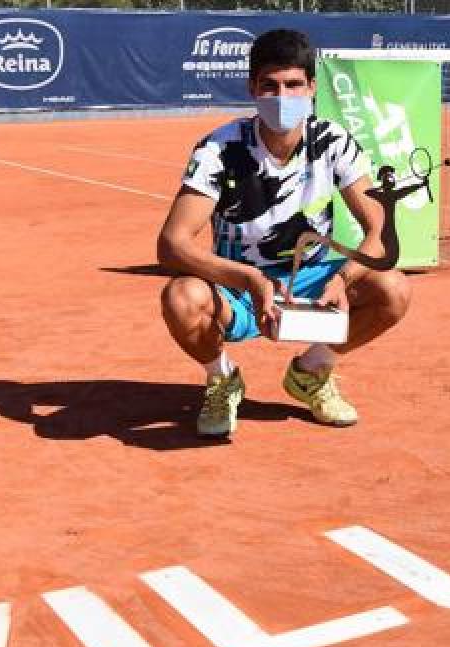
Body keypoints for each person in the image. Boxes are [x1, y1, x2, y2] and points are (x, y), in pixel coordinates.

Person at [157, 28, 411, 439]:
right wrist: (250, 279)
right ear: (252, 88)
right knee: (181, 297)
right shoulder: (219, 150)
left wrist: (341, 279)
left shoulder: (333, 143)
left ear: (312, 87)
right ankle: (221, 379)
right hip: (238, 287)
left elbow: (379, 231)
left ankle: (312, 371)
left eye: (294, 85)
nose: (283, 97)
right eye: (270, 86)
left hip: (310, 280)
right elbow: (172, 244)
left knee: (393, 289)